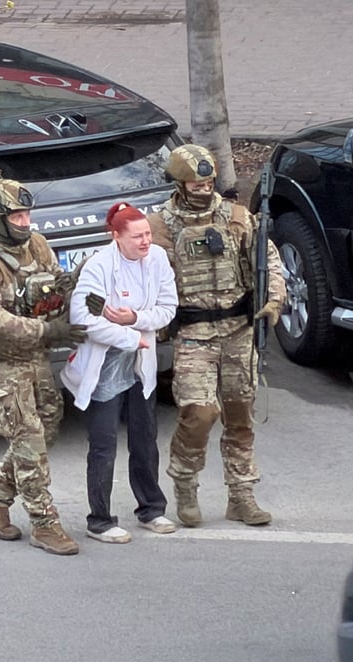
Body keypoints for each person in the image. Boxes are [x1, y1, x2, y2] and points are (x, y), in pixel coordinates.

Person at [147, 144, 286, 527]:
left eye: (208, 183)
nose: (204, 189)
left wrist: (274, 298)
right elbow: (146, 276)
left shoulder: (237, 217)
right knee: (199, 413)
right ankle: (185, 485)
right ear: (179, 184)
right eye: (196, 184)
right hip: (194, 334)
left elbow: (268, 259)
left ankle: (241, 496)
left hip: (238, 330)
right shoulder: (160, 226)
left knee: (240, 417)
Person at [0, 178, 87, 556]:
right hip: (1, 362)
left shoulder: (37, 245)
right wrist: (47, 330)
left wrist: (73, 289)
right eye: (16, 216)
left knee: (47, 428)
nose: (25, 222)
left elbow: (53, 286)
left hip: (35, 356)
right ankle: (45, 524)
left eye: (27, 214)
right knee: (28, 441)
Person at [61, 202, 179, 543]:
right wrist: (129, 337)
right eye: (137, 236)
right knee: (104, 444)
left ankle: (151, 509)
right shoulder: (98, 267)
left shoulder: (157, 259)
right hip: (105, 365)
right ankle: (99, 520)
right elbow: (84, 319)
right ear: (116, 236)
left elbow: (168, 307)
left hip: (141, 362)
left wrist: (134, 319)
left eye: (148, 234)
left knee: (145, 438)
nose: (146, 241)